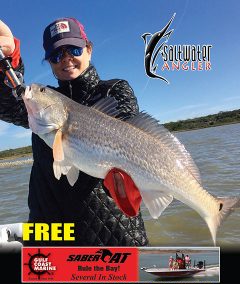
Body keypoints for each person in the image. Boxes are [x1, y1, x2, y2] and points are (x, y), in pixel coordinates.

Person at [0, 18, 149, 246]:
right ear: (49, 62)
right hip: (49, 234)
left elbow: (131, 132)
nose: (66, 58)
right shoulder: (40, 104)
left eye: (74, 49)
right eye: (57, 55)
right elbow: (7, 105)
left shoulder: (114, 90)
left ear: (88, 50)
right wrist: (8, 61)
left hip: (112, 233)